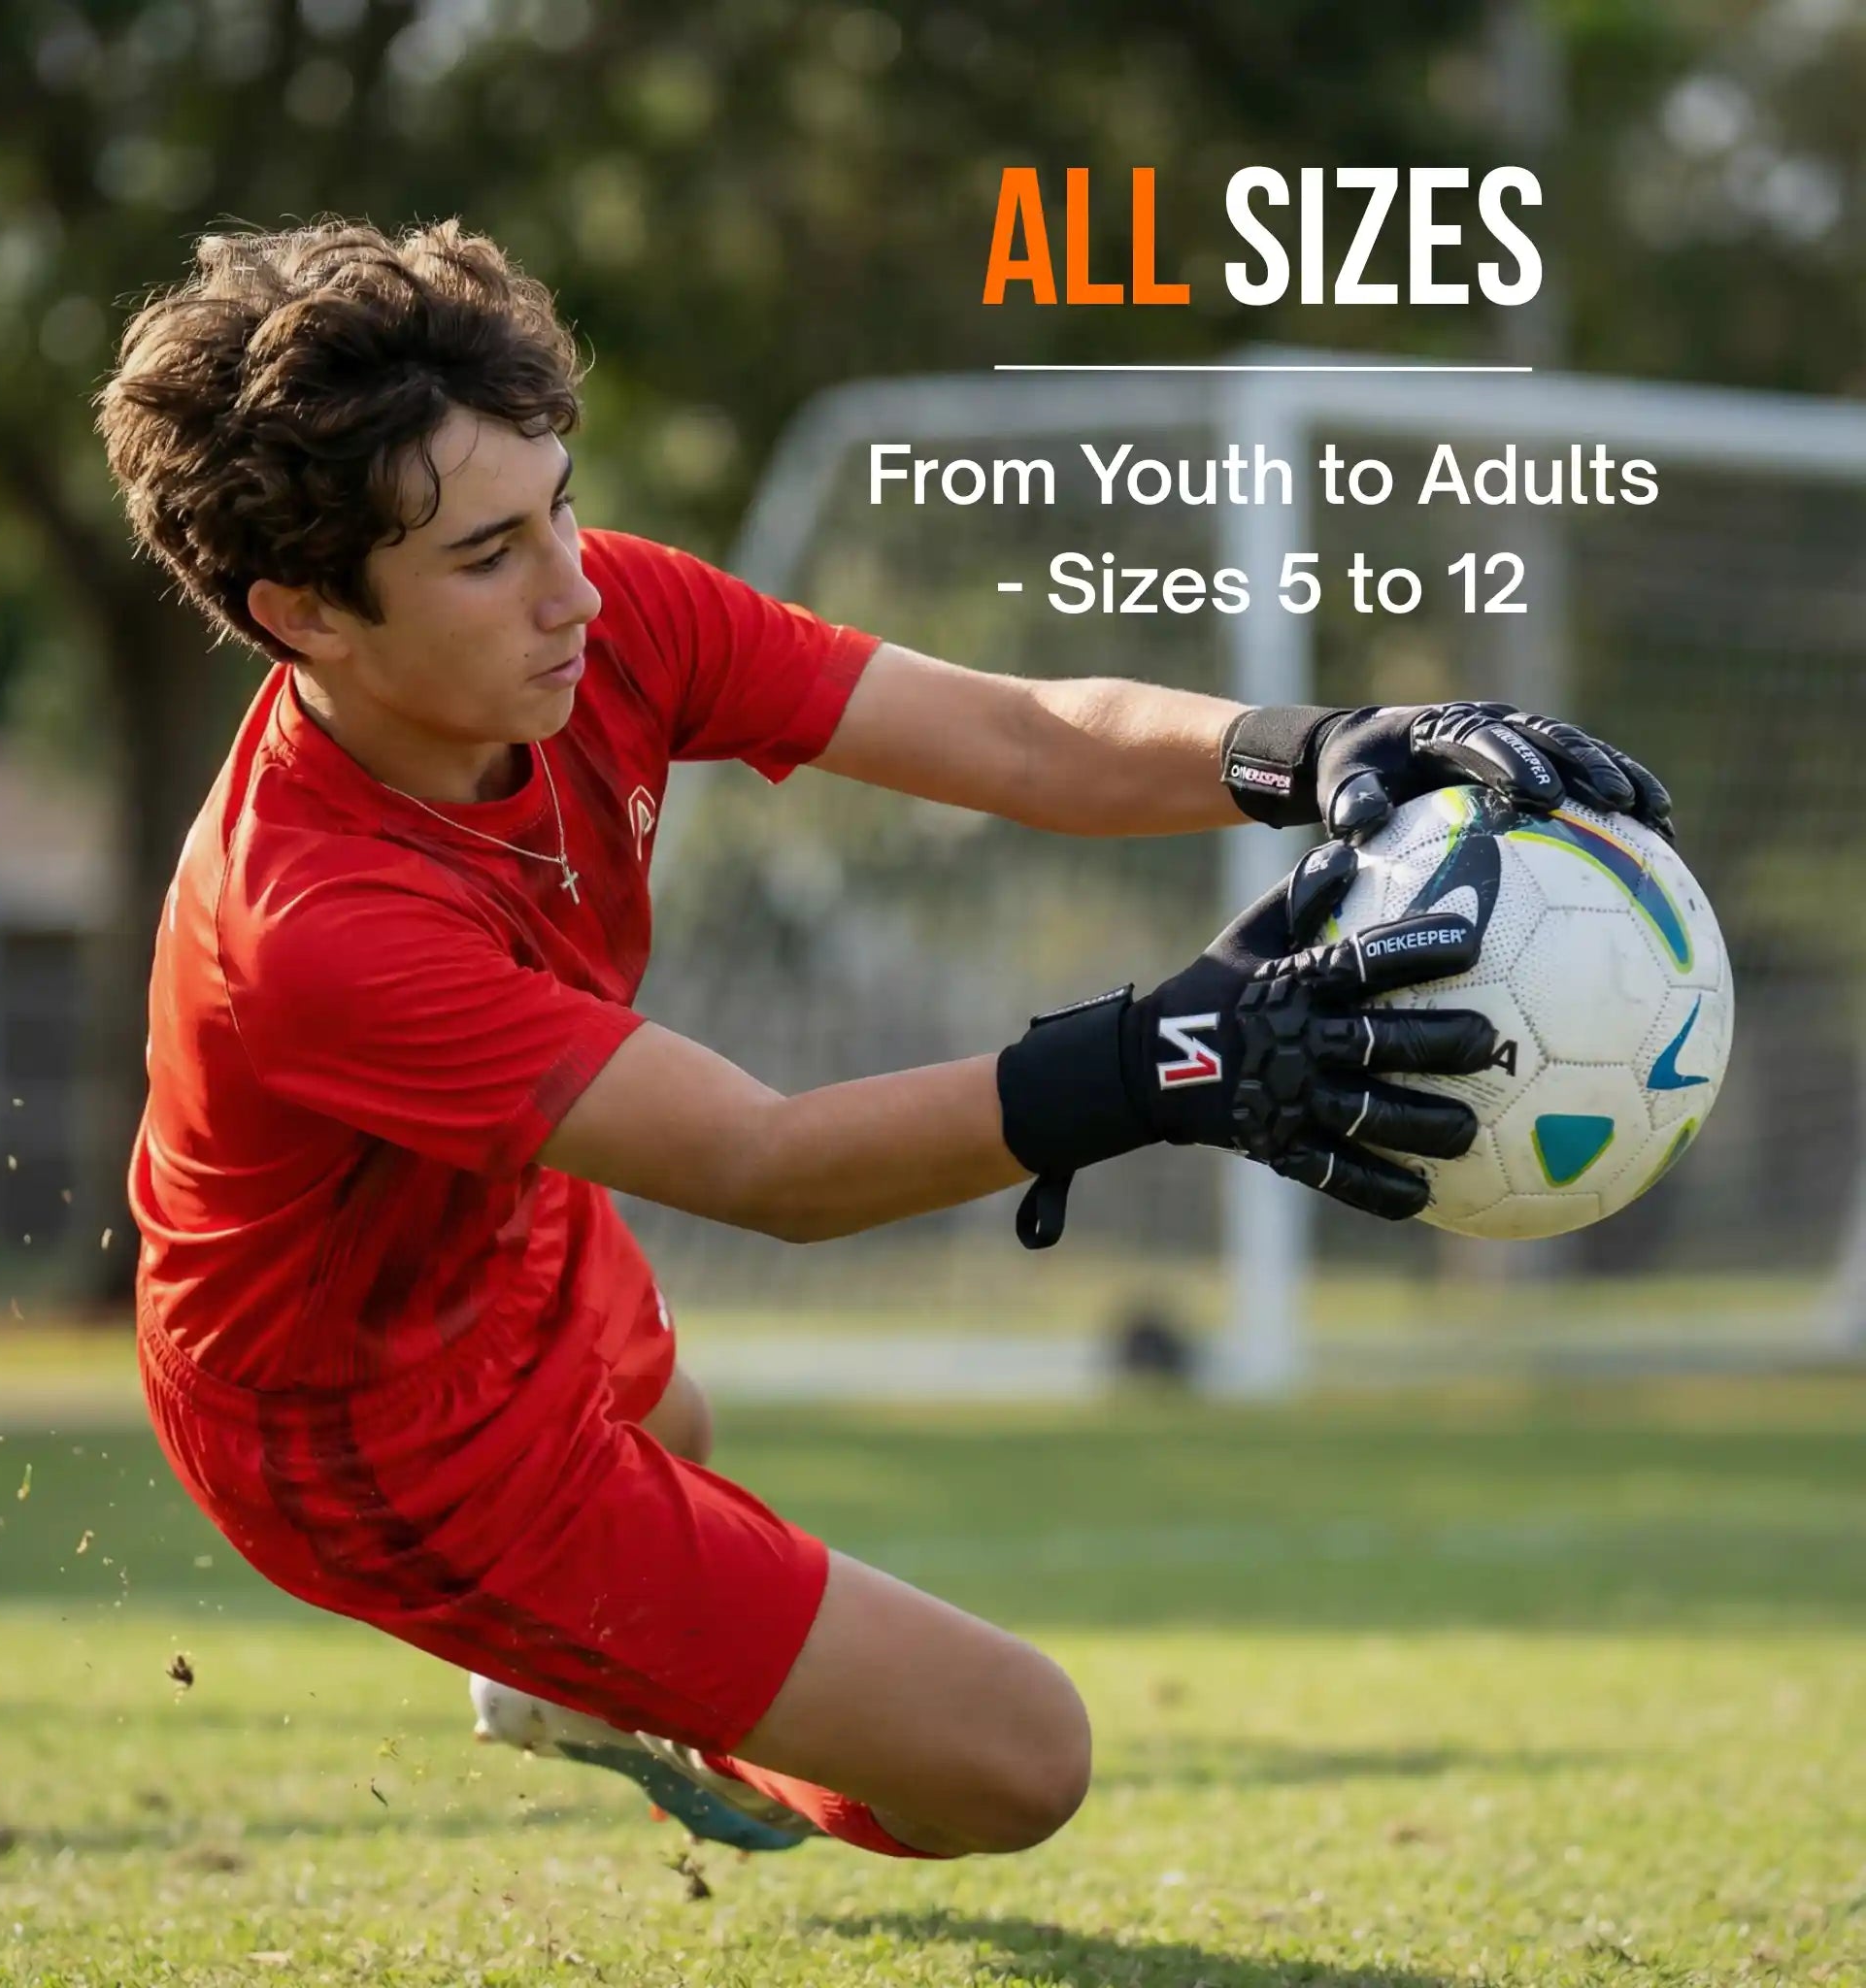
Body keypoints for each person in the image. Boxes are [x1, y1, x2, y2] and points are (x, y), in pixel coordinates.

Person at [100, 217, 1672, 1861]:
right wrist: (1162, 1060)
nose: (575, 585)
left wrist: (1313, 744)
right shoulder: (312, 927)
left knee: (677, 1435)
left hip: (499, 1238)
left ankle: (563, 1674)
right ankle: (582, 1678)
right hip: (358, 1426)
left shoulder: (604, 618)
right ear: (306, 616)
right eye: (488, 556)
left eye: (559, 504)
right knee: (1016, 1762)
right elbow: (768, 1168)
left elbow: (1010, 734)